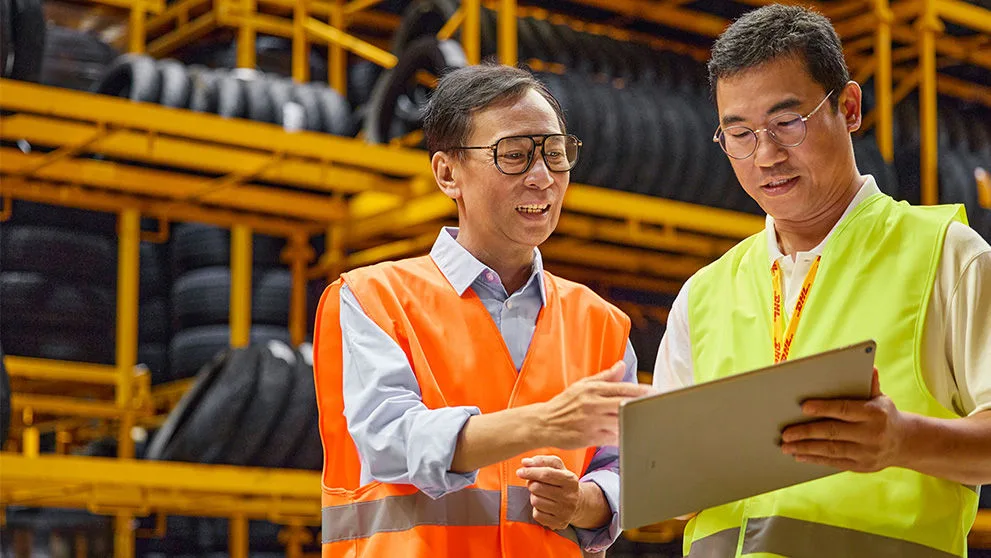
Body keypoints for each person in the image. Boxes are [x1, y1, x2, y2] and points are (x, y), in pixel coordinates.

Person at [653, 4, 991, 557]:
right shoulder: (704, 294)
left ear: (849, 107)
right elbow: (669, 490)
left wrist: (902, 440)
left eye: (787, 123)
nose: (766, 155)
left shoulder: (947, 257)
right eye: (739, 134)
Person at [313, 63, 652, 558]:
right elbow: (391, 439)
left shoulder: (600, 323)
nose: (542, 178)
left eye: (556, 156)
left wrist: (583, 501)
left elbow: (623, 468)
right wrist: (544, 424)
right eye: (513, 156)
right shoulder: (373, 298)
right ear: (447, 173)